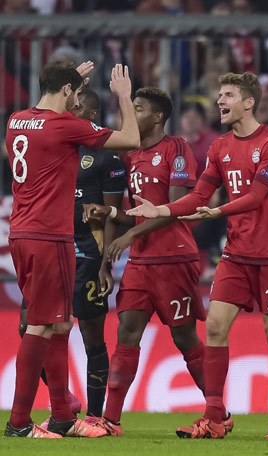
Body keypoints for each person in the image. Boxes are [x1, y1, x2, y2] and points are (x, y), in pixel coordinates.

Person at [127, 71, 268, 441]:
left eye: (228, 95)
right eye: (219, 94)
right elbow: (199, 195)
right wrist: (164, 211)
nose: (220, 101)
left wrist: (215, 214)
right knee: (216, 326)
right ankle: (215, 417)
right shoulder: (219, 147)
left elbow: (255, 197)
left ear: (248, 102)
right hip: (236, 253)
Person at [4, 60, 140, 438]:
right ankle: (18, 424)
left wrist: (69, 82)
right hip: (49, 235)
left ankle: (62, 415)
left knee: (60, 322)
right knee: (40, 326)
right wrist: (124, 96)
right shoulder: (64, 126)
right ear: (67, 92)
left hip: (23, 232)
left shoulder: (18, 119)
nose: (77, 100)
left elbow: (46, 105)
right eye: (76, 94)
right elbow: (132, 138)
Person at [84, 87, 212, 436]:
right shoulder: (131, 157)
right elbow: (133, 214)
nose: (131, 114)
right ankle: (110, 420)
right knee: (126, 332)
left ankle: (218, 413)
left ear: (157, 117)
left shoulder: (177, 149)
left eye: (137, 108)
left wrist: (132, 236)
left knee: (185, 339)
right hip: (141, 263)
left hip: (174, 259)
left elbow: (176, 209)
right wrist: (112, 216)